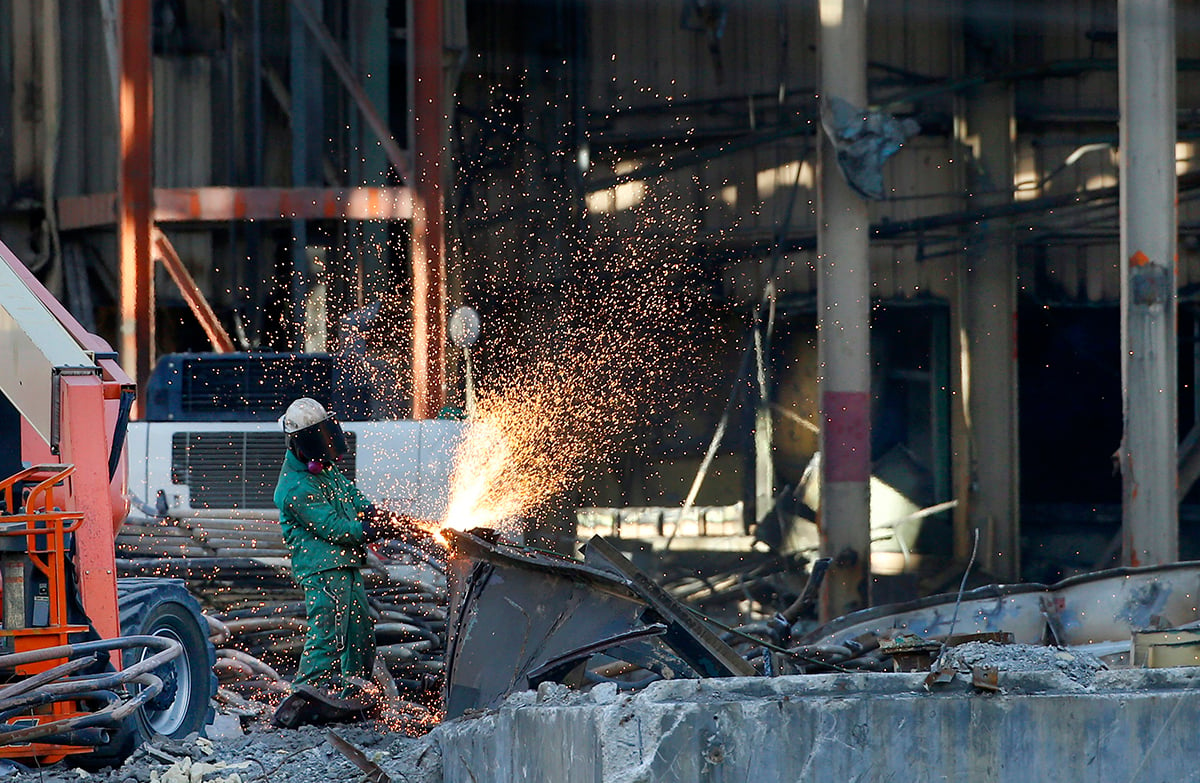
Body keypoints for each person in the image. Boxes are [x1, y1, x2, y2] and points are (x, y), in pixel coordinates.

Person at [270, 397, 424, 727]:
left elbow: (353, 499)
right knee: (328, 630)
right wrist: (370, 528)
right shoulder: (294, 488)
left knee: (358, 633)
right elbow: (336, 528)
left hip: (345, 565)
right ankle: (304, 694)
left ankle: (350, 691)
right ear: (298, 442)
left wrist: (378, 515)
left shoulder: (326, 469)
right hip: (322, 568)